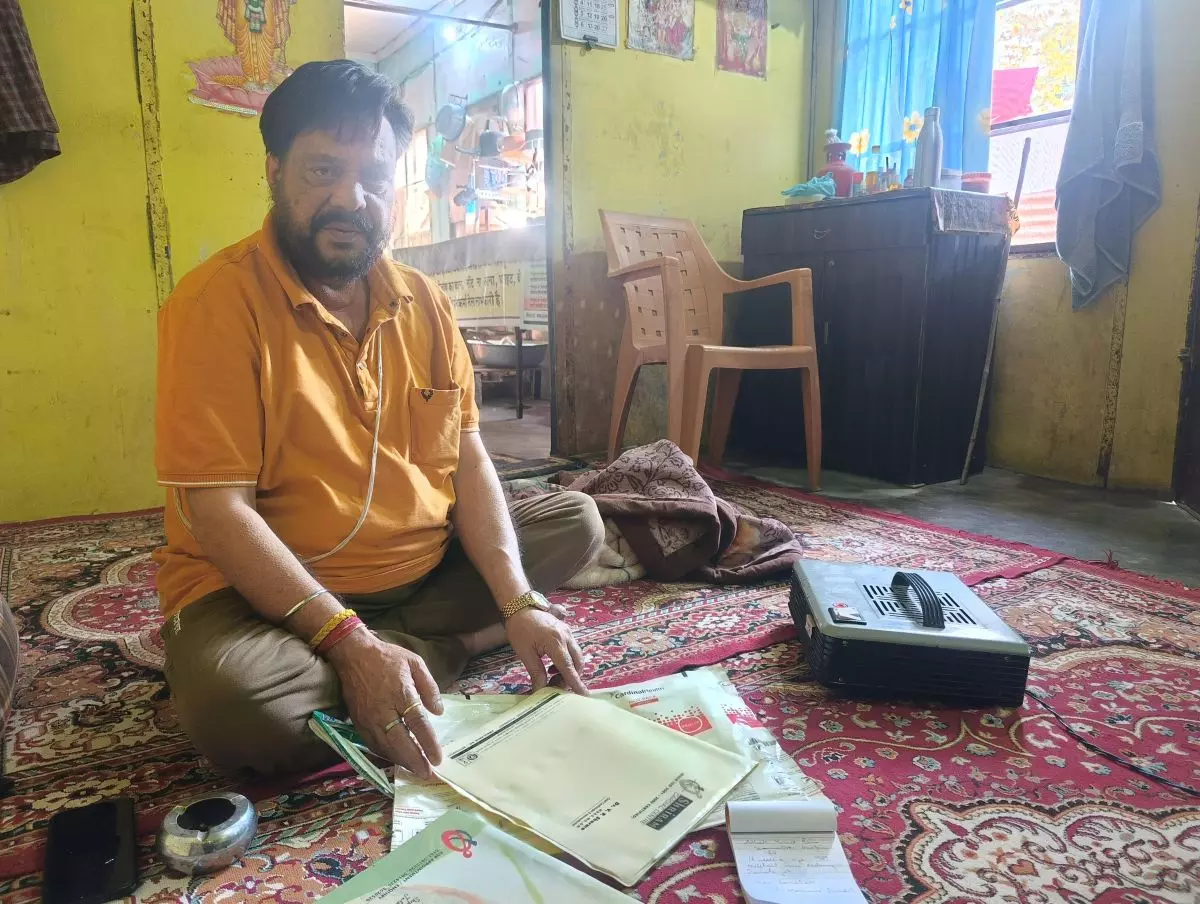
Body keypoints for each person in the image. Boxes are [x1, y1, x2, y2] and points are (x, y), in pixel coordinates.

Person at [153, 60, 604, 779]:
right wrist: (348, 642)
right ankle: (435, 652)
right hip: (260, 596)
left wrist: (517, 599)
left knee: (577, 520)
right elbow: (218, 513)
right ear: (274, 172)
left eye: (374, 177)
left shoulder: (426, 302)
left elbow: (469, 460)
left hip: (418, 572)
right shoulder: (216, 304)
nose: (349, 199)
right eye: (322, 171)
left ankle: (416, 647)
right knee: (241, 715)